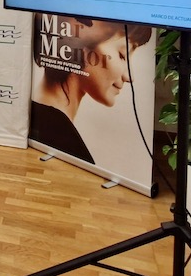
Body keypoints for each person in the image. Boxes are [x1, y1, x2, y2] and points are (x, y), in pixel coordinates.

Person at [30, 14, 152, 164]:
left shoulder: (31, 119)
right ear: (79, 39)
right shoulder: (68, 148)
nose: (129, 76)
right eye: (122, 55)